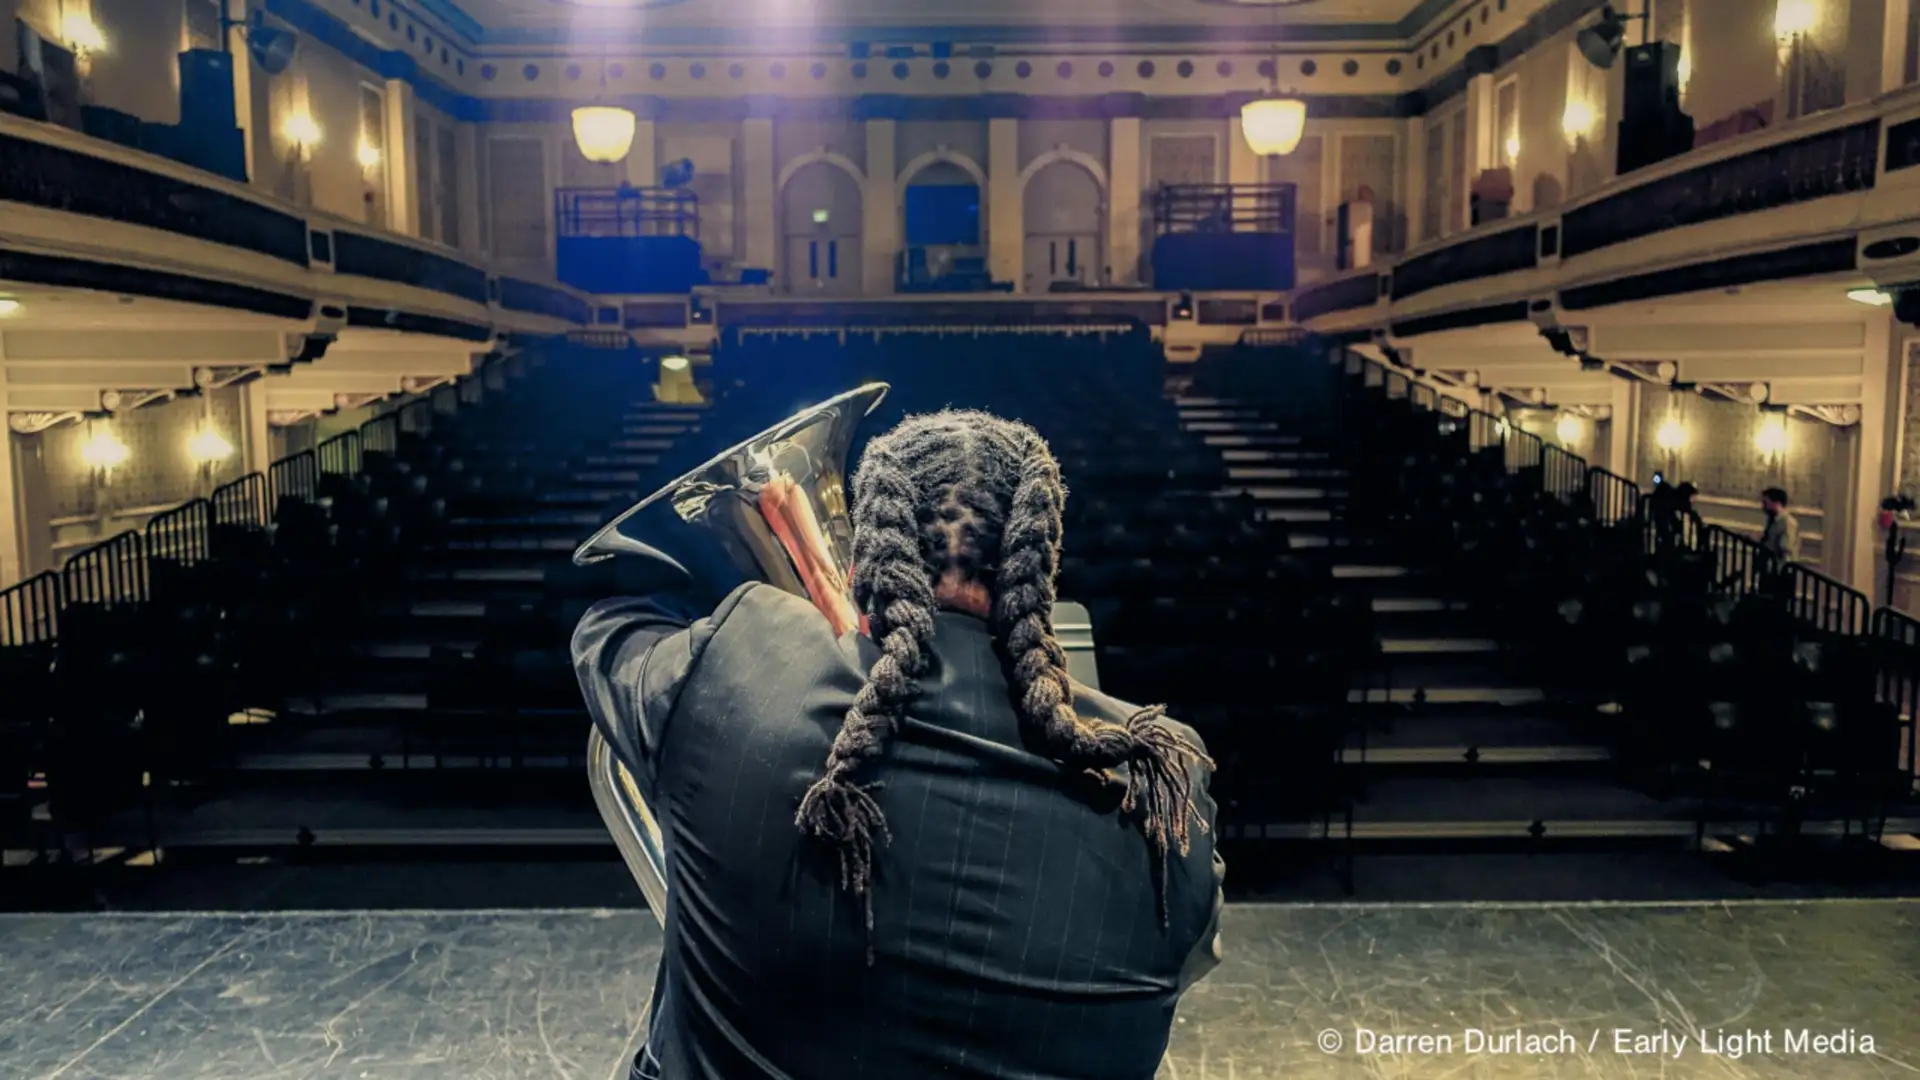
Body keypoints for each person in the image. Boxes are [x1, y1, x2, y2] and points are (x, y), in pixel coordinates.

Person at [573, 410, 1224, 1080]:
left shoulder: (737, 670)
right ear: (1042, 564)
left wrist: (797, 622)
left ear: (865, 557)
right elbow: (1188, 958)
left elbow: (607, 632)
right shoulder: (1162, 778)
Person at [1760, 486, 1800, 565]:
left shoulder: (1788, 522)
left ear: (1776, 503)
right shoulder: (1773, 520)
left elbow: (1786, 548)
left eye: (1766, 503)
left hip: (1782, 568)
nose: (1763, 507)